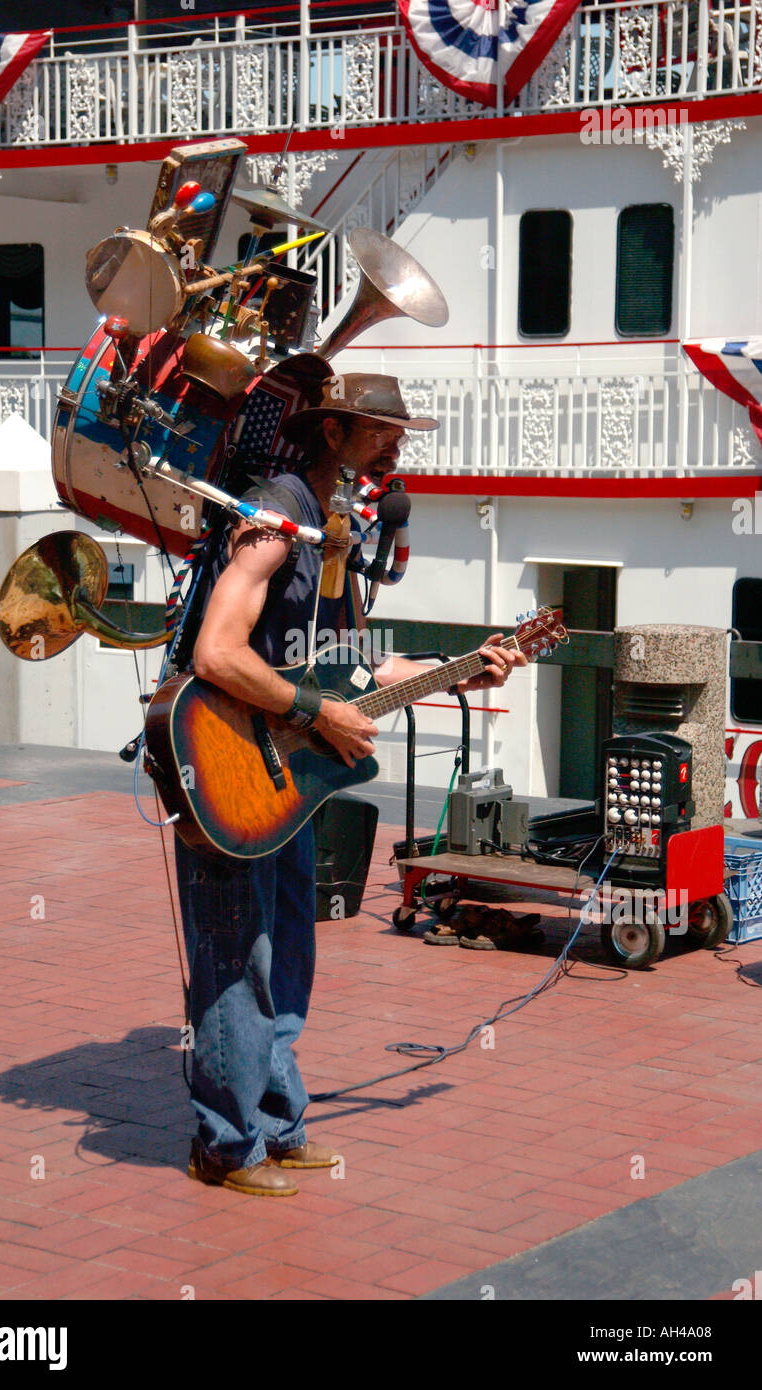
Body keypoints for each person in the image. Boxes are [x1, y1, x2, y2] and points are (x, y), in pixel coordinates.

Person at [175, 372, 526, 1197]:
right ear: (331, 433)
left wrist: (461, 671)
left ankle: (276, 1119)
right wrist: (314, 712)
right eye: (378, 429)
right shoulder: (272, 518)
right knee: (238, 953)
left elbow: (354, 669)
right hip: (226, 761)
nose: (394, 444)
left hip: (292, 777)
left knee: (289, 949)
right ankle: (224, 1145)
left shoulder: (336, 530)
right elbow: (217, 655)